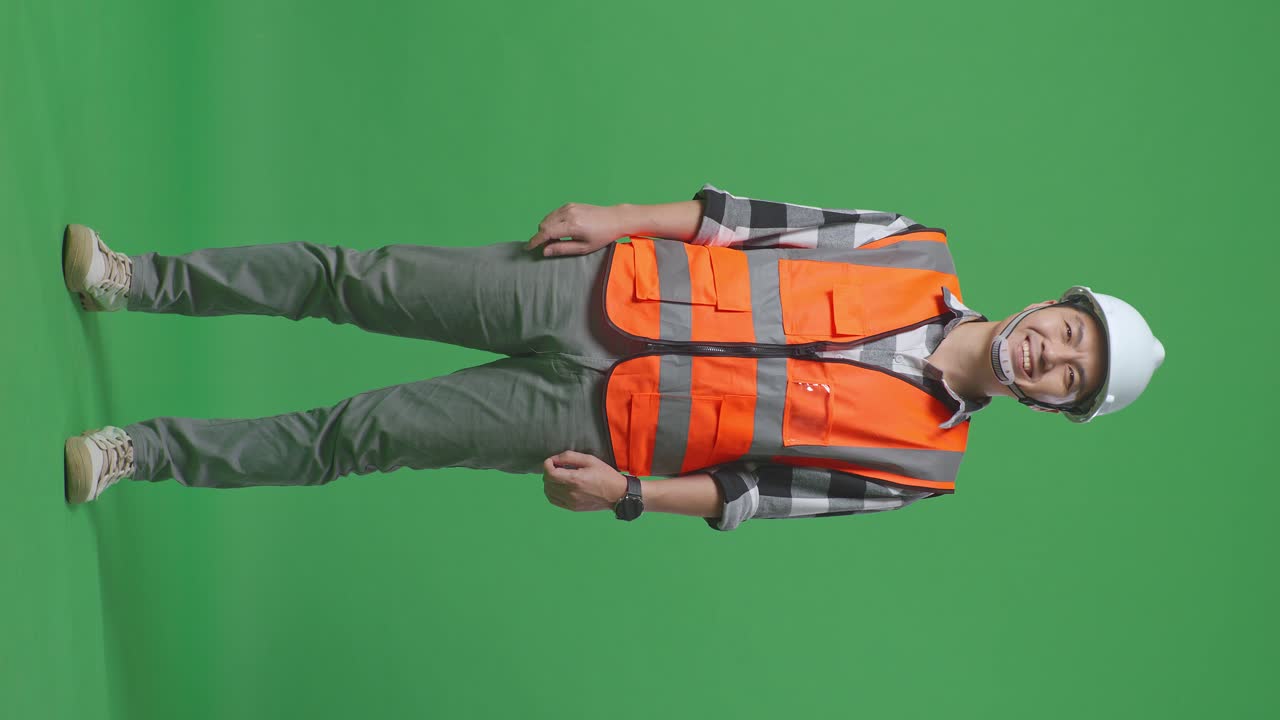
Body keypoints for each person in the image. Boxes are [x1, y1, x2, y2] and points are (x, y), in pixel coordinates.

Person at [61, 183, 1165, 531]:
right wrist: (609, 218)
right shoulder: (908, 243)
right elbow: (737, 216)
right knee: (360, 279)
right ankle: (135, 280)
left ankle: (139, 454)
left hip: (601, 424)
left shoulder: (922, 469)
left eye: (1070, 374)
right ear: (1051, 302)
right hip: (598, 284)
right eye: (1068, 331)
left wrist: (629, 493)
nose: (1050, 354)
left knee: (364, 435)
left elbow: (752, 495)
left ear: (1051, 407)